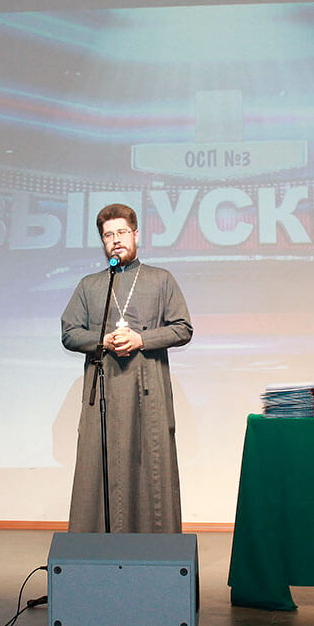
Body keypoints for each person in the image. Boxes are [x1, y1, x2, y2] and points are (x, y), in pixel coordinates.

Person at [60, 203, 192, 533]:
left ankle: (154, 547)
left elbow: (182, 328)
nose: (116, 240)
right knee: (98, 466)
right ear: (103, 242)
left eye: (121, 232)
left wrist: (141, 339)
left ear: (136, 235)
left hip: (148, 391)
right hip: (104, 390)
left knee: (150, 465)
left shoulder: (161, 279)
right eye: (108, 235)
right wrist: (104, 340)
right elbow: (69, 332)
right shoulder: (91, 285)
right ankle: (96, 548)